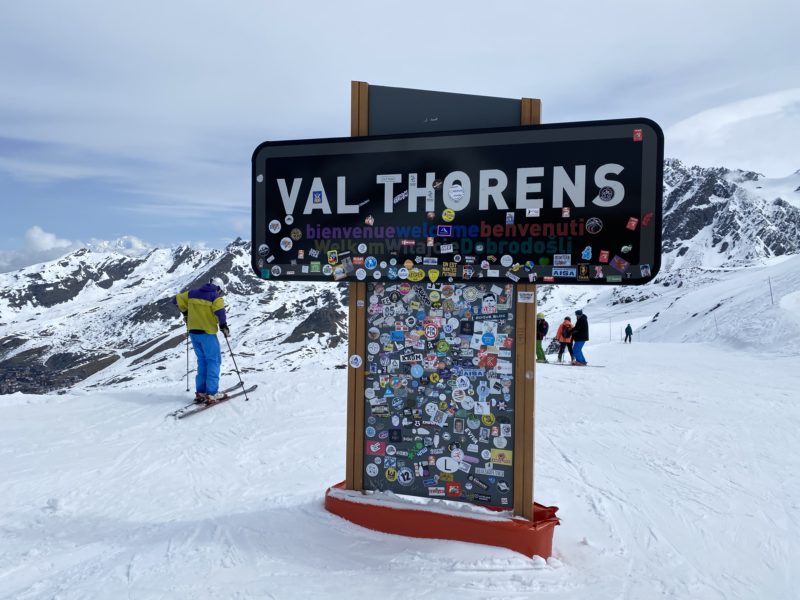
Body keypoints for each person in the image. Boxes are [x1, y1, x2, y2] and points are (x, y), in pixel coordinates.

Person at [173, 277, 230, 404]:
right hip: (207, 333)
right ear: (219, 288)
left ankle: (201, 392)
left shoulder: (192, 293)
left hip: (193, 333)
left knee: (202, 361)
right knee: (213, 361)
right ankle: (212, 393)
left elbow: (176, 299)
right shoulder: (216, 297)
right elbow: (220, 312)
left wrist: (186, 313)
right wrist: (223, 326)